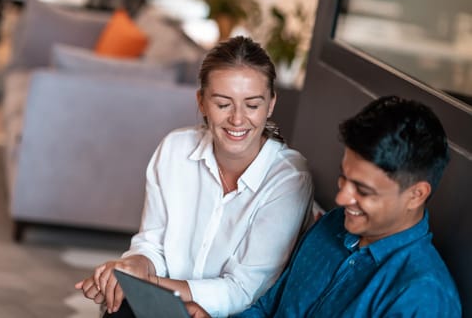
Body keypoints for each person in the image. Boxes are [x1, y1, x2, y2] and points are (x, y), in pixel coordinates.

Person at [75, 36, 314, 317]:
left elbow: (244, 291)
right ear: (201, 101)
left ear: (271, 104)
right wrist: (132, 268)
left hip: (233, 313)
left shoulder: (288, 179)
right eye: (223, 104)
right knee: (121, 305)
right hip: (165, 303)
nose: (238, 119)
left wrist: (143, 284)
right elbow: (151, 245)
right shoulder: (175, 150)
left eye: (252, 105)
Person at [187, 95, 462, 317]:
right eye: (343, 177)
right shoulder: (332, 225)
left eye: (363, 191)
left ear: (416, 195)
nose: (342, 199)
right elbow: (268, 309)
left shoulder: (423, 297)